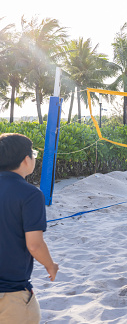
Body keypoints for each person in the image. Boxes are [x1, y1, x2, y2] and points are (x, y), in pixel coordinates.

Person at [0, 133, 59, 324]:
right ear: (26, 160)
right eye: (33, 154)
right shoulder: (30, 194)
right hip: (11, 293)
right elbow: (34, 245)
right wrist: (50, 265)